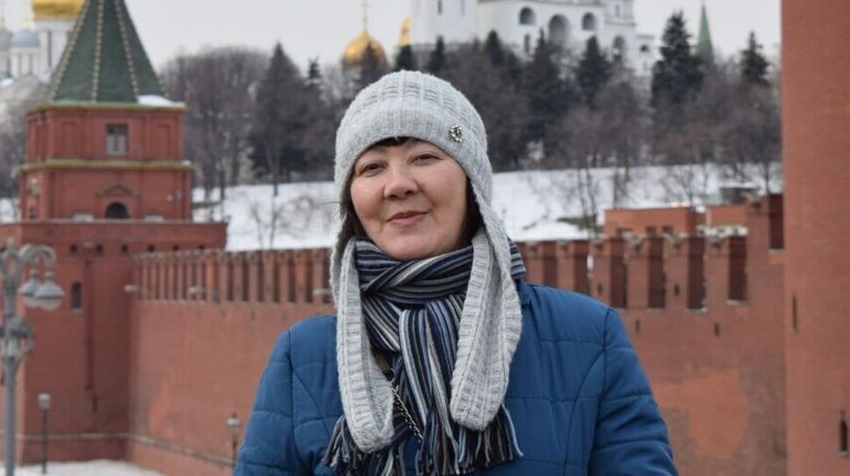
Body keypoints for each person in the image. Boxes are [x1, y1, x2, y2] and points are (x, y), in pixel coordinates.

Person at [236, 71, 676, 474]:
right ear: (352, 199)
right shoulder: (304, 357)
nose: (398, 184)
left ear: (472, 183)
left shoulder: (587, 337)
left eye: (425, 157)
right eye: (372, 167)